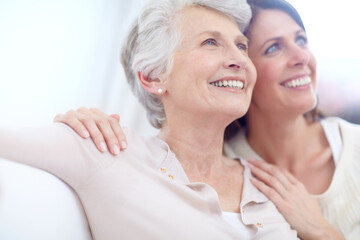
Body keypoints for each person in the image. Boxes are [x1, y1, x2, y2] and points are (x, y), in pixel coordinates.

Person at [56, 0, 360, 239]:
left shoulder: (354, 149)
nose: (302, 57)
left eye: (302, 40)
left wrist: (321, 231)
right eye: (273, 48)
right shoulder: (218, 169)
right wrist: (76, 122)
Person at [0, 0, 299, 239]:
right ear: (153, 76)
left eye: (241, 46)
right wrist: (66, 122)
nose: (240, 60)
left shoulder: (271, 183)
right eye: (211, 42)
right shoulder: (106, 148)